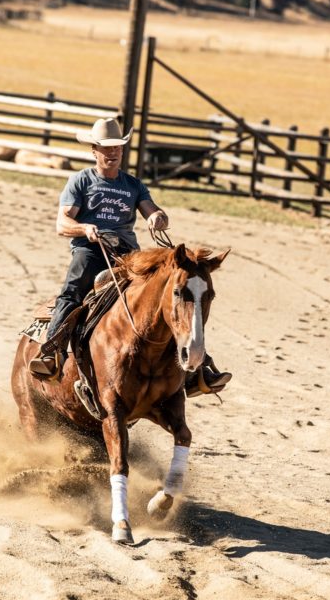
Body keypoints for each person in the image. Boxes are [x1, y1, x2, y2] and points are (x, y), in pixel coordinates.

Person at [28, 117, 231, 398]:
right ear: (94, 150)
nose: (112, 153)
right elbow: (62, 224)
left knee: (165, 299)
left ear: (122, 151)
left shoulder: (133, 185)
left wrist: (158, 217)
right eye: (105, 148)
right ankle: (51, 353)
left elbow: (152, 209)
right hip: (90, 251)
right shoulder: (80, 181)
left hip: (128, 255)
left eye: (117, 148)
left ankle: (197, 368)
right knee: (72, 293)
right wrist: (84, 228)